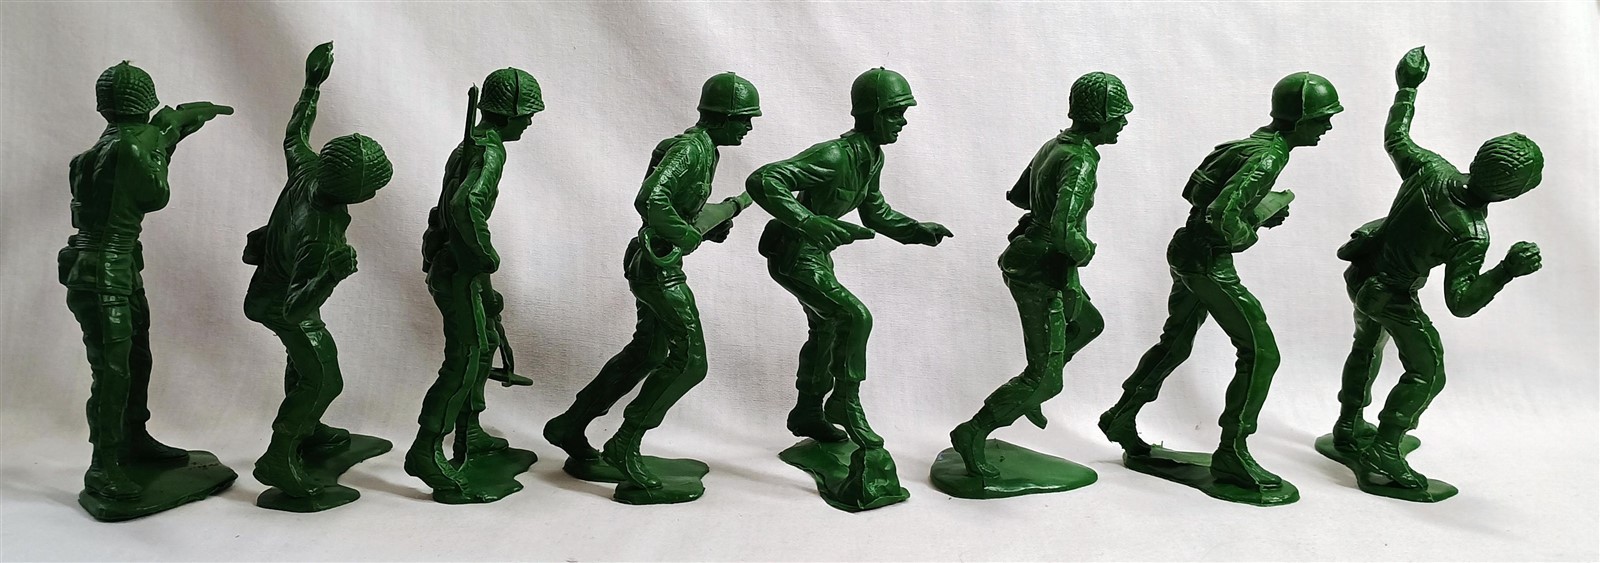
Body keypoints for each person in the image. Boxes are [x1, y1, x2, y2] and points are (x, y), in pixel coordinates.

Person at [1099, 71, 1341, 493]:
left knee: (1175, 343)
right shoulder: (1269, 157)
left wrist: (1254, 211)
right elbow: (1220, 218)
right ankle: (1232, 450)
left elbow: (1201, 197)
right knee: (1261, 352)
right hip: (1208, 261)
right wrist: (1253, 227)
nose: (1328, 126)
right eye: (1322, 118)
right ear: (1300, 120)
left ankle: (1122, 415)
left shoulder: (1249, 144)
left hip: (1188, 251)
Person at [1331, 47, 1543, 490]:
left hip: (1362, 274)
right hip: (1391, 292)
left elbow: (1396, 137)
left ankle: (1348, 425)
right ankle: (1385, 449)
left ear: (1477, 159)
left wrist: (1407, 87)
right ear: (1511, 194)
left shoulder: (1431, 168)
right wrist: (1507, 270)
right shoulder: (1471, 233)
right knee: (1427, 371)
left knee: (1366, 346)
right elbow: (1460, 303)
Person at [543, 72, 761, 490]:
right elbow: (650, 198)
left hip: (655, 263)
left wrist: (708, 225)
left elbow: (673, 206)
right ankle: (625, 443)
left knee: (646, 352)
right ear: (722, 117)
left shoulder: (706, 151)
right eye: (744, 118)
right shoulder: (690, 149)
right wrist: (687, 235)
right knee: (690, 361)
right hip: (658, 269)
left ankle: (570, 424)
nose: (749, 127)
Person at [61, 62, 231, 499]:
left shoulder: (94, 154)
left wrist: (170, 132)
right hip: (105, 271)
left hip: (114, 268)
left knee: (136, 359)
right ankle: (103, 466)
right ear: (146, 102)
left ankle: (133, 439)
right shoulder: (129, 150)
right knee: (113, 371)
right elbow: (156, 194)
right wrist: (165, 135)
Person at [949, 72, 1131, 478]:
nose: (1123, 122)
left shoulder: (1056, 144)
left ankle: (1030, 391)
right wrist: (1085, 249)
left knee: (1089, 324)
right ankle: (973, 431)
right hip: (1040, 270)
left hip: (1034, 255)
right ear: (1100, 117)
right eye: (1118, 114)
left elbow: (1019, 196)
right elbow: (1066, 232)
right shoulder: (1080, 161)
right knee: (1047, 379)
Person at [242, 42, 393, 498]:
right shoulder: (323, 235)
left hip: (268, 286)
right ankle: (279, 455)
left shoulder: (307, 170)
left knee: (303, 361)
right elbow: (295, 310)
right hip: (282, 301)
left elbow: (294, 133)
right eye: (372, 190)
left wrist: (312, 85)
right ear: (357, 193)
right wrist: (332, 274)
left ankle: (309, 430)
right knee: (324, 377)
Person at [407, 67, 541, 501]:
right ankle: (425, 449)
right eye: (527, 113)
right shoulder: (490, 152)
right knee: (465, 358)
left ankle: (470, 432)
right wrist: (486, 256)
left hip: (456, 265)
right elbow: (465, 205)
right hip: (459, 269)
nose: (530, 122)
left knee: (485, 346)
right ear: (509, 113)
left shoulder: (473, 145)